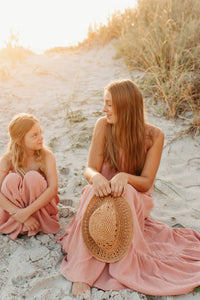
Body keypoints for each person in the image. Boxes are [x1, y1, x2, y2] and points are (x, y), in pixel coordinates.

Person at [57, 79, 200, 299]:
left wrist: (124, 177)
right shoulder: (103, 126)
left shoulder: (154, 136)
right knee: (89, 192)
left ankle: (124, 261)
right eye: (104, 103)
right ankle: (82, 272)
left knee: (129, 192)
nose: (103, 109)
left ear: (126, 106)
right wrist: (95, 178)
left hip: (135, 198)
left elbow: (145, 182)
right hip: (102, 197)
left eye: (109, 104)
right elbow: (90, 169)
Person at [0, 113, 60, 240]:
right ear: (20, 140)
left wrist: (26, 212)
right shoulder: (7, 159)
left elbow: (53, 189)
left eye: (40, 133)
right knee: (10, 179)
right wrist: (20, 215)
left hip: (40, 205)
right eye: (34, 135)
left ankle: (37, 221)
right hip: (17, 210)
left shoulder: (47, 156)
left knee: (33, 177)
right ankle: (21, 223)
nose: (41, 138)